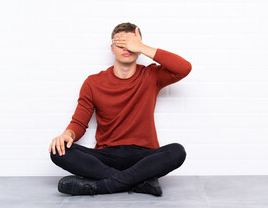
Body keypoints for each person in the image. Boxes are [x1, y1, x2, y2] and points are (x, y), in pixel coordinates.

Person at [49, 22, 192, 197]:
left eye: (131, 44)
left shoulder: (151, 76)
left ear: (139, 49)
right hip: (106, 156)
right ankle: (140, 183)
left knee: (177, 151)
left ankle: (99, 186)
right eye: (121, 43)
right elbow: (79, 123)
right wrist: (67, 135)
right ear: (112, 48)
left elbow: (184, 68)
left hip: (144, 156)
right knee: (59, 151)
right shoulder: (93, 82)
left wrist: (142, 46)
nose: (127, 48)